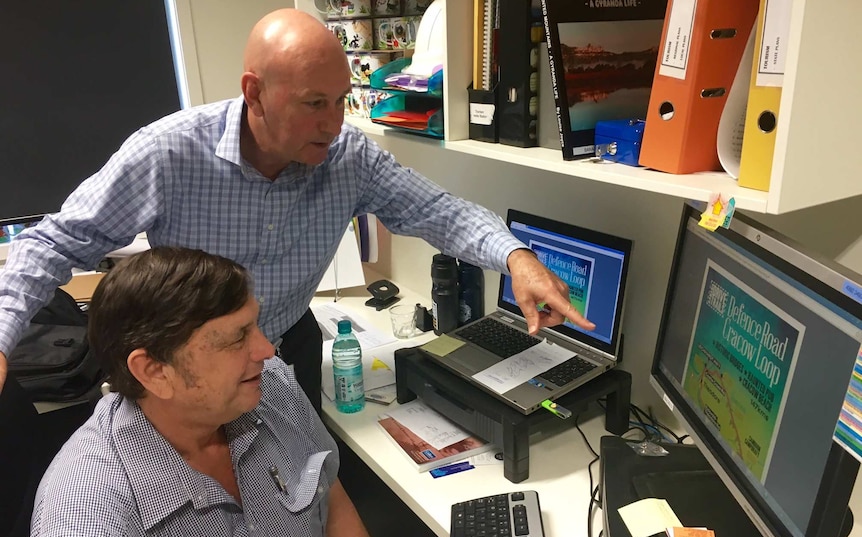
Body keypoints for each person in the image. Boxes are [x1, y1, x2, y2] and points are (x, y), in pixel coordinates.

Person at [0, 9, 594, 410]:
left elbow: (438, 211)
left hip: (286, 343)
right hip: (193, 365)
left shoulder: (349, 155)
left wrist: (516, 255)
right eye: (314, 103)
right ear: (254, 91)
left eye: (341, 101)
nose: (334, 125)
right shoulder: (170, 152)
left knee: (300, 499)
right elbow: (52, 243)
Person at [29, 246, 447, 537]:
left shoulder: (268, 385)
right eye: (236, 338)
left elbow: (329, 501)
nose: (266, 350)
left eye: (256, 325)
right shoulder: (84, 533)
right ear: (155, 371)